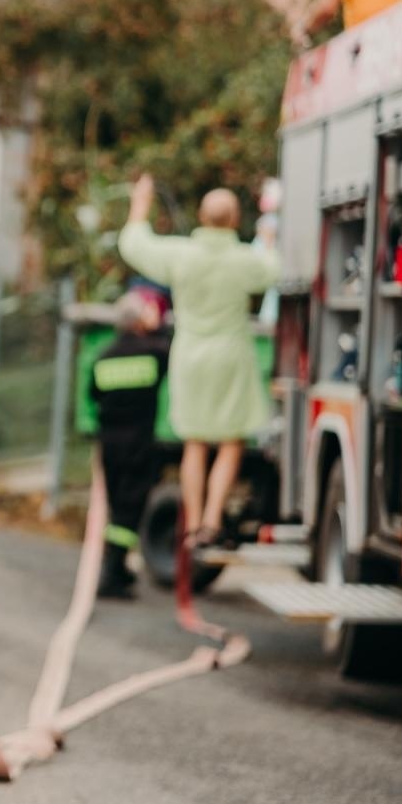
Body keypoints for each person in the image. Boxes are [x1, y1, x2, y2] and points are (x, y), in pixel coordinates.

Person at [118, 174, 278, 552]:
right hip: (229, 357)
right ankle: (212, 521)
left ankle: (191, 524)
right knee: (232, 439)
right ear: (235, 220)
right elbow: (274, 271)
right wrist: (268, 241)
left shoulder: (181, 255)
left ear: (203, 218)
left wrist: (140, 203)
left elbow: (134, 244)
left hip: (189, 357)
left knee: (195, 441)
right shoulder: (243, 260)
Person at [88, 290, 171, 598]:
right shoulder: (153, 352)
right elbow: (168, 352)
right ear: (138, 322)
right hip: (138, 443)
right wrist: (158, 326)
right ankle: (112, 574)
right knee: (129, 508)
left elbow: (94, 395)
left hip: (109, 443)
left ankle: (117, 569)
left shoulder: (104, 357)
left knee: (116, 505)